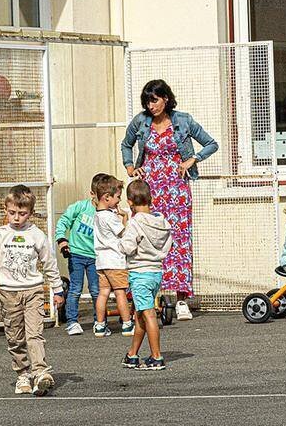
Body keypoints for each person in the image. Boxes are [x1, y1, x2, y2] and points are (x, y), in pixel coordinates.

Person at [120, 79, 218, 321]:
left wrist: (192, 160)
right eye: (147, 101)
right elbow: (126, 144)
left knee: (179, 242)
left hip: (177, 189)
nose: (150, 105)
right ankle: (145, 298)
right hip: (149, 190)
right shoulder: (140, 122)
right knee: (144, 239)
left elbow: (211, 143)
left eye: (154, 100)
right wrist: (131, 167)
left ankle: (182, 299)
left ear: (165, 98)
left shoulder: (183, 120)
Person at [0, 185, 64, 396]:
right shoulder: (0, 235)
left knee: (34, 334)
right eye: (12, 212)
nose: (17, 217)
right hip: (8, 292)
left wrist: (57, 289)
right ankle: (23, 374)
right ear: (6, 210)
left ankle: (41, 372)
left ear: (31, 213)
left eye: (22, 213)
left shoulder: (37, 235)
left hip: (33, 290)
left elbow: (49, 263)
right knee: (15, 337)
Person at [119, 180, 174, 370]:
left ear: (130, 202)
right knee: (140, 315)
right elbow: (170, 244)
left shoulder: (134, 223)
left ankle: (156, 356)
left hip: (139, 273)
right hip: (156, 272)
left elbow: (127, 247)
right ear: (150, 199)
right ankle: (132, 354)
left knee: (148, 314)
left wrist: (121, 236)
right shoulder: (162, 222)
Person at [56, 174, 111, 336]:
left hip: (96, 256)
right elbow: (64, 221)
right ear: (92, 194)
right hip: (77, 254)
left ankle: (99, 321)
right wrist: (62, 240)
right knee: (75, 289)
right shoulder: (80, 207)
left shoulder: (108, 214)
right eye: (101, 197)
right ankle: (72, 321)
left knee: (96, 290)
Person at [93, 175, 135, 337]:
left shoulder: (97, 215)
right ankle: (126, 323)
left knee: (103, 292)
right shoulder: (110, 217)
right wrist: (125, 217)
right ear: (107, 197)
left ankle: (100, 325)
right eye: (117, 197)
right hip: (115, 260)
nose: (119, 200)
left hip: (101, 260)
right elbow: (123, 233)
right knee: (120, 292)